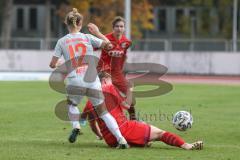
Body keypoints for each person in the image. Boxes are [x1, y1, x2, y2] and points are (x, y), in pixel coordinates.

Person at [49, 8, 128, 148]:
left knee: (72, 105)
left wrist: (62, 63)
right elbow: (109, 45)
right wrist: (97, 32)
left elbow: (52, 64)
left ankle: (76, 126)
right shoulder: (87, 37)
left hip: (74, 78)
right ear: (80, 23)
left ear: (66, 24)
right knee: (103, 112)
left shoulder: (62, 41)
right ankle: (121, 139)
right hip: (91, 77)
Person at [82, 74, 203, 150]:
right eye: (110, 78)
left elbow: (92, 125)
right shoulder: (109, 88)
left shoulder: (89, 101)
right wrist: (130, 90)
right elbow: (128, 104)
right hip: (124, 129)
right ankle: (186, 145)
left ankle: (140, 141)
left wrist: (100, 135)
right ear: (104, 80)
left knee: (142, 126)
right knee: (160, 134)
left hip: (110, 141)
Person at [93, 16, 137, 120]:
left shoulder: (126, 42)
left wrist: (121, 70)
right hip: (104, 72)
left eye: (121, 26)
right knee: (101, 99)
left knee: (130, 96)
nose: (119, 28)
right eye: (117, 26)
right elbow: (93, 47)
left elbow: (123, 56)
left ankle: (133, 119)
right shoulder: (106, 39)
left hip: (117, 73)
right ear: (113, 27)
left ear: (124, 28)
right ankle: (90, 119)